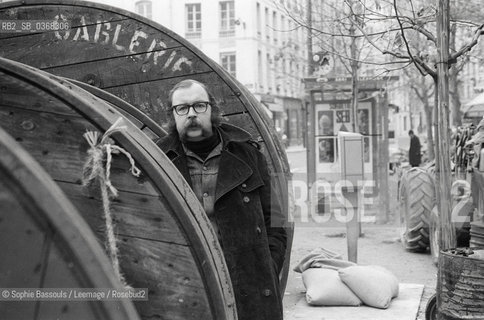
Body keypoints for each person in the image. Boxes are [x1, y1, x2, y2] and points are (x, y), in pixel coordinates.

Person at [156, 79, 287, 320]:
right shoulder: (157, 159)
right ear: (173, 115)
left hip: (249, 283)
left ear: (212, 110)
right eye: (182, 108)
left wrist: (267, 266)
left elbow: (277, 219)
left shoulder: (248, 153)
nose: (192, 114)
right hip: (187, 281)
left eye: (199, 105)